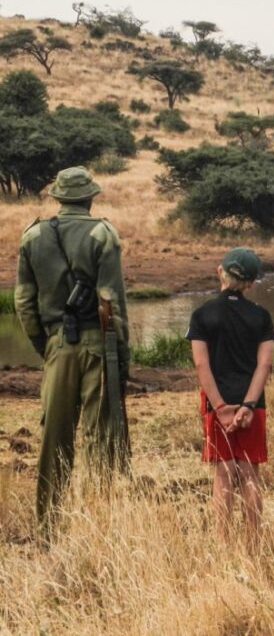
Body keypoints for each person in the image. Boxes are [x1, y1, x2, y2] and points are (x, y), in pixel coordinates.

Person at [15, 167, 130, 540]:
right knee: (101, 437)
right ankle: (100, 528)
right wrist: (121, 353)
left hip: (57, 346)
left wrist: (47, 345)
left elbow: (24, 303)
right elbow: (110, 300)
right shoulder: (103, 234)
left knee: (54, 439)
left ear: (58, 197)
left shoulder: (32, 236)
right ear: (90, 197)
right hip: (100, 345)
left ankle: (49, 529)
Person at [186, 247, 274, 544]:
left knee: (223, 474)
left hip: (217, 405)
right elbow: (264, 363)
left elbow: (201, 364)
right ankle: (254, 541)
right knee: (251, 474)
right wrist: (248, 405)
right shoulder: (261, 316)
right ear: (251, 283)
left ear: (219, 272)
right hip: (253, 406)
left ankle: (224, 542)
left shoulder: (202, 315)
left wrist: (221, 407)